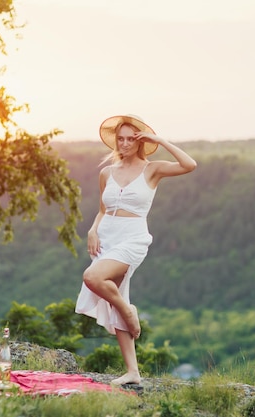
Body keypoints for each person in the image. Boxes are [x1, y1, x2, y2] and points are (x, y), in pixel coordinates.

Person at [75, 114, 197, 386]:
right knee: (113, 293)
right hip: (107, 237)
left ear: (140, 141)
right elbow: (103, 210)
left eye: (131, 138)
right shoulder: (106, 173)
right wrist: (92, 230)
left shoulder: (152, 170)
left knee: (93, 278)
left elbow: (189, 165)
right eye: (121, 138)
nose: (125, 143)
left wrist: (160, 140)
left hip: (133, 239)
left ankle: (128, 311)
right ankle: (133, 371)